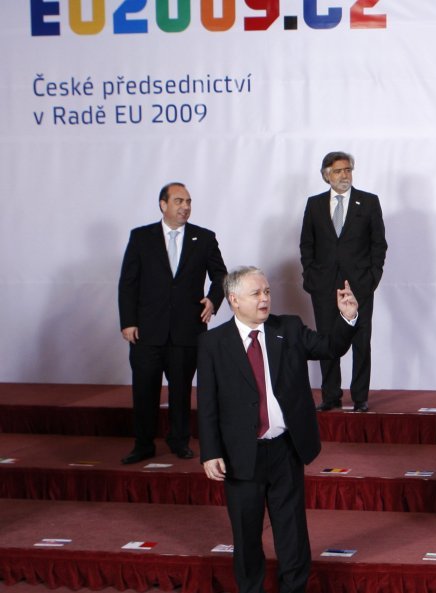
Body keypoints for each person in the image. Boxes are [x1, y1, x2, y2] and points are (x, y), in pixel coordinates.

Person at [197, 266, 358, 593]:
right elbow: (208, 401)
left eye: (267, 292)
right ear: (234, 299)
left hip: (285, 449)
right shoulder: (213, 343)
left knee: (292, 532)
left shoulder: (290, 328)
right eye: (256, 293)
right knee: (246, 535)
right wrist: (210, 451)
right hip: (242, 454)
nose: (265, 299)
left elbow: (329, 348)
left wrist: (347, 318)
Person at [117, 182, 227, 464]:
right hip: (146, 330)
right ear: (163, 205)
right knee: (144, 390)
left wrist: (214, 300)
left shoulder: (203, 238)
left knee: (181, 390)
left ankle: (179, 441)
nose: (185, 206)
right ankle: (143, 444)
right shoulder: (141, 237)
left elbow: (221, 276)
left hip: (187, 330)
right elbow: (128, 283)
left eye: (188, 201)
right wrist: (128, 322)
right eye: (178, 201)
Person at [300, 151, 387, 413]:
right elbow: (307, 244)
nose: (344, 175)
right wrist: (311, 277)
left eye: (348, 169)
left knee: (361, 341)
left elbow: (378, 245)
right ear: (326, 175)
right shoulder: (314, 204)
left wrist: (371, 279)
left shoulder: (368, 202)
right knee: (327, 341)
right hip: (323, 286)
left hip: (360, 286)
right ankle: (331, 395)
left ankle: (360, 397)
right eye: (338, 171)